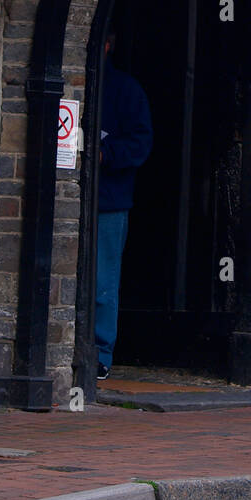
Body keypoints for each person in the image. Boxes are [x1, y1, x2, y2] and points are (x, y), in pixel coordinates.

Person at [95, 34, 153, 379]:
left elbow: (140, 143)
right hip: (85, 198)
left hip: (110, 200)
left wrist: (107, 154)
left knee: (103, 281)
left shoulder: (126, 91)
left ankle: (101, 352)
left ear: (110, 44)